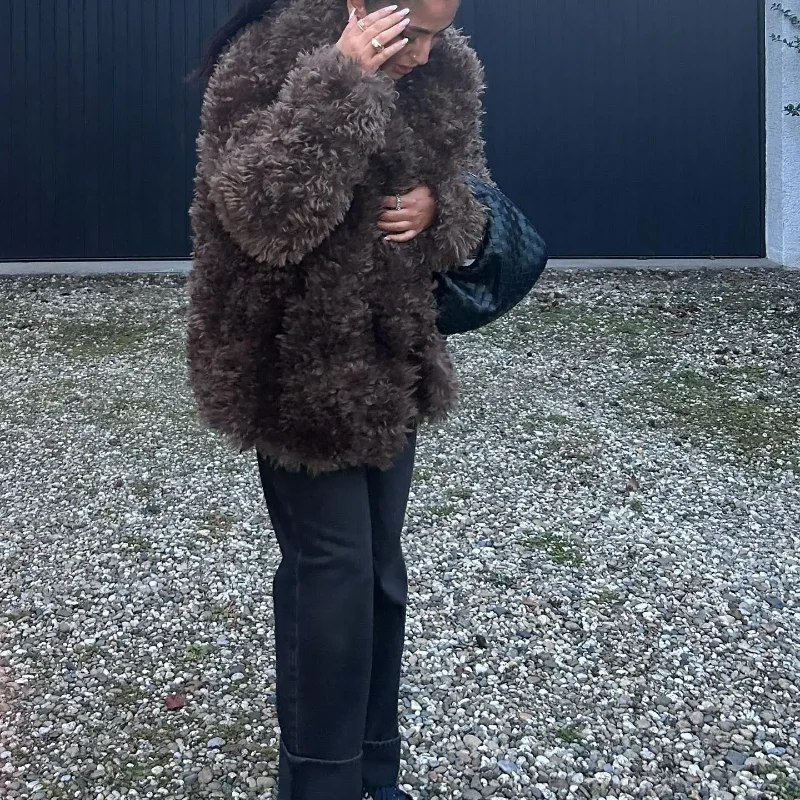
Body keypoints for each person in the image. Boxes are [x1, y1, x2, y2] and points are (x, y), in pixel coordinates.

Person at [187, 0, 488, 797]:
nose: (425, 53)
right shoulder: (265, 55)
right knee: (333, 573)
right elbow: (263, 216)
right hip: (294, 366)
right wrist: (342, 78)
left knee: (381, 570)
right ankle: (320, 782)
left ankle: (375, 774)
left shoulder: (446, 71)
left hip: (393, 359)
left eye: (438, 33)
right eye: (413, 32)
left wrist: (439, 205)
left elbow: (471, 201)